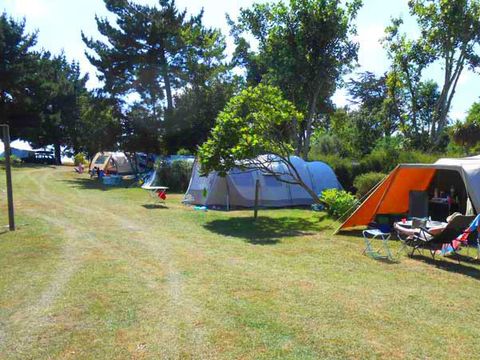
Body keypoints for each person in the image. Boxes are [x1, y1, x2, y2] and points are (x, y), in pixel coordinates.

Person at [394, 212, 463, 240]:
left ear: (450, 220)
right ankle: (408, 235)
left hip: (430, 238)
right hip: (441, 239)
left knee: (416, 230)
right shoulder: (456, 228)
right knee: (415, 232)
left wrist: (439, 227)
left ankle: (398, 228)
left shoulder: (444, 227)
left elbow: (430, 231)